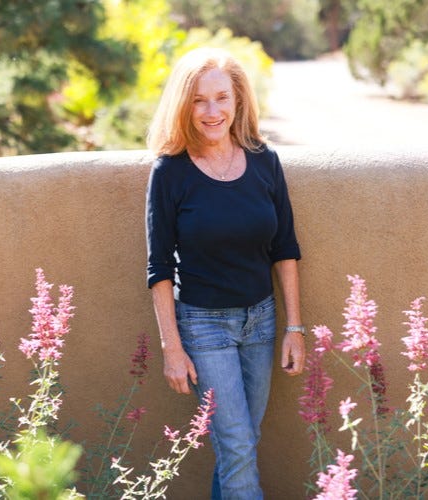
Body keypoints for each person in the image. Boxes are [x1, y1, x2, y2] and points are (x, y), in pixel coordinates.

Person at [145, 47, 305, 500]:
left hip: (262, 321)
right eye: (198, 100)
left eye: (221, 98)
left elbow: (285, 249)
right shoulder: (170, 172)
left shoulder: (264, 161)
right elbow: (158, 268)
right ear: (184, 105)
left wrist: (294, 327)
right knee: (236, 444)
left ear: (238, 100)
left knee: (240, 445)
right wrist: (171, 347)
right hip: (203, 326)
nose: (211, 111)